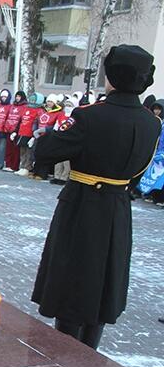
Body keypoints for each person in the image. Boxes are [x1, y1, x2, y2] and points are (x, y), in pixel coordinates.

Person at [31, 44, 160, 350]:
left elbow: (46, 153)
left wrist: (44, 138)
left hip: (82, 205)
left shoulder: (89, 116)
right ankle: (90, 353)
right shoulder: (151, 123)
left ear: (113, 76)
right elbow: (139, 173)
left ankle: (64, 355)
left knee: (72, 280)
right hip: (117, 208)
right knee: (103, 282)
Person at [29, 94, 64, 180]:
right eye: (48, 101)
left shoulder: (58, 113)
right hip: (38, 135)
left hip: (48, 136)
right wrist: (34, 132)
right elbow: (36, 121)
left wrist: (46, 130)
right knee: (37, 154)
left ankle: (42, 173)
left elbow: (56, 125)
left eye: (51, 102)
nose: (49, 103)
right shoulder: (42, 111)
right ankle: (35, 171)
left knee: (44, 155)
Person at [3, 91, 27, 172]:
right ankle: (8, 164)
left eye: (19, 96)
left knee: (15, 149)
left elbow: (21, 119)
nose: (17, 98)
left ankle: (14, 166)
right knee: (8, 148)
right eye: (16, 96)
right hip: (9, 129)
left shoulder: (24, 107)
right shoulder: (12, 106)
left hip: (17, 130)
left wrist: (16, 130)